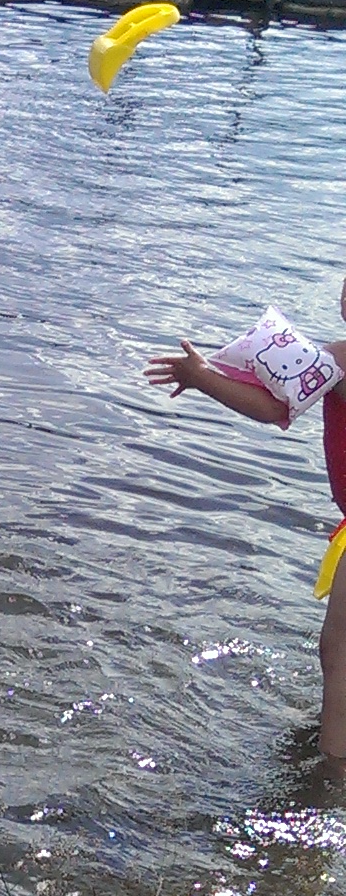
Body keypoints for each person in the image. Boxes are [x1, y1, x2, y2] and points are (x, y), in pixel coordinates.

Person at [146, 290, 346, 761]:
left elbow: (273, 408)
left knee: (339, 653)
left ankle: (333, 772)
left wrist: (201, 376)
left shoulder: (339, 359)